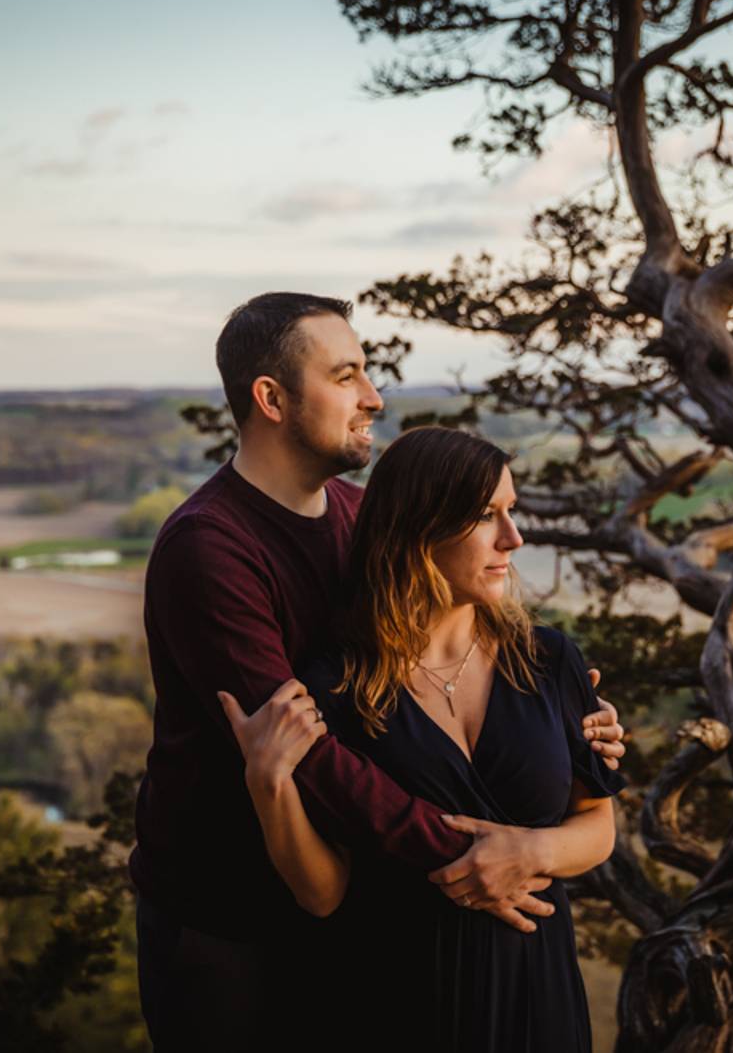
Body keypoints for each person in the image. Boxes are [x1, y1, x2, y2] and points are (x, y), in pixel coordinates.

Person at [129, 292, 626, 1051]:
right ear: (271, 398)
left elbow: (450, 626)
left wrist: (567, 716)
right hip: (232, 924)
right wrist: (473, 851)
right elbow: (313, 754)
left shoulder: (362, 517)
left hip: (360, 919)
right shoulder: (211, 547)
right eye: (347, 375)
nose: (374, 396)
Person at [221, 426, 625, 1053]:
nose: (513, 539)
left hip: (536, 1005)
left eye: (510, 512)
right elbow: (323, 894)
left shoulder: (549, 660)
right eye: (486, 517)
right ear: (419, 527)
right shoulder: (337, 686)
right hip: (393, 1007)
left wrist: (531, 852)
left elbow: (598, 826)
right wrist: (268, 784)